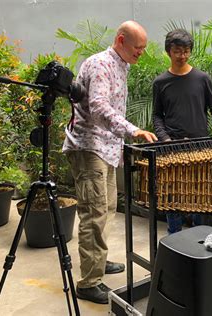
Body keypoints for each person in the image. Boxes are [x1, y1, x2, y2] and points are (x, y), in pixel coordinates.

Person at [63, 21, 157, 304]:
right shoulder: (101, 64)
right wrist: (132, 130)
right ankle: (89, 282)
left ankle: (98, 261)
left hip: (108, 148)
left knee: (108, 208)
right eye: (138, 49)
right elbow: (99, 106)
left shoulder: (121, 64)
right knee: (94, 214)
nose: (141, 54)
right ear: (120, 40)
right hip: (89, 147)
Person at [152, 29, 212, 234]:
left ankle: (199, 235)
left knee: (199, 192)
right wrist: (165, 139)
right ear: (169, 52)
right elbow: (157, 115)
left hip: (201, 145)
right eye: (177, 51)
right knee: (174, 194)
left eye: (186, 51)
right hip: (172, 147)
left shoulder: (202, 78)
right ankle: (174, 237)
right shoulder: (160, 82)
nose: (182, 55)